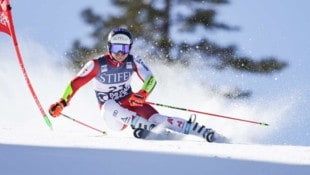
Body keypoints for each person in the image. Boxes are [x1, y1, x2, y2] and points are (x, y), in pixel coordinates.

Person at [49, 27, 214, 142]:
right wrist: (62, 102)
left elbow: (150, 79)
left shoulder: (133, 61)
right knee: (108, 105)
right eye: (116, 48)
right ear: (109, 47)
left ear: (130, 48)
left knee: (157, 117)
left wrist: (143, 93)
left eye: (125, 48)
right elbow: (75, 83)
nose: (120, 53)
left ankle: (198, 130)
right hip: (114, 116)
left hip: (130, 103)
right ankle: (144, 126)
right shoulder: (97, 64)